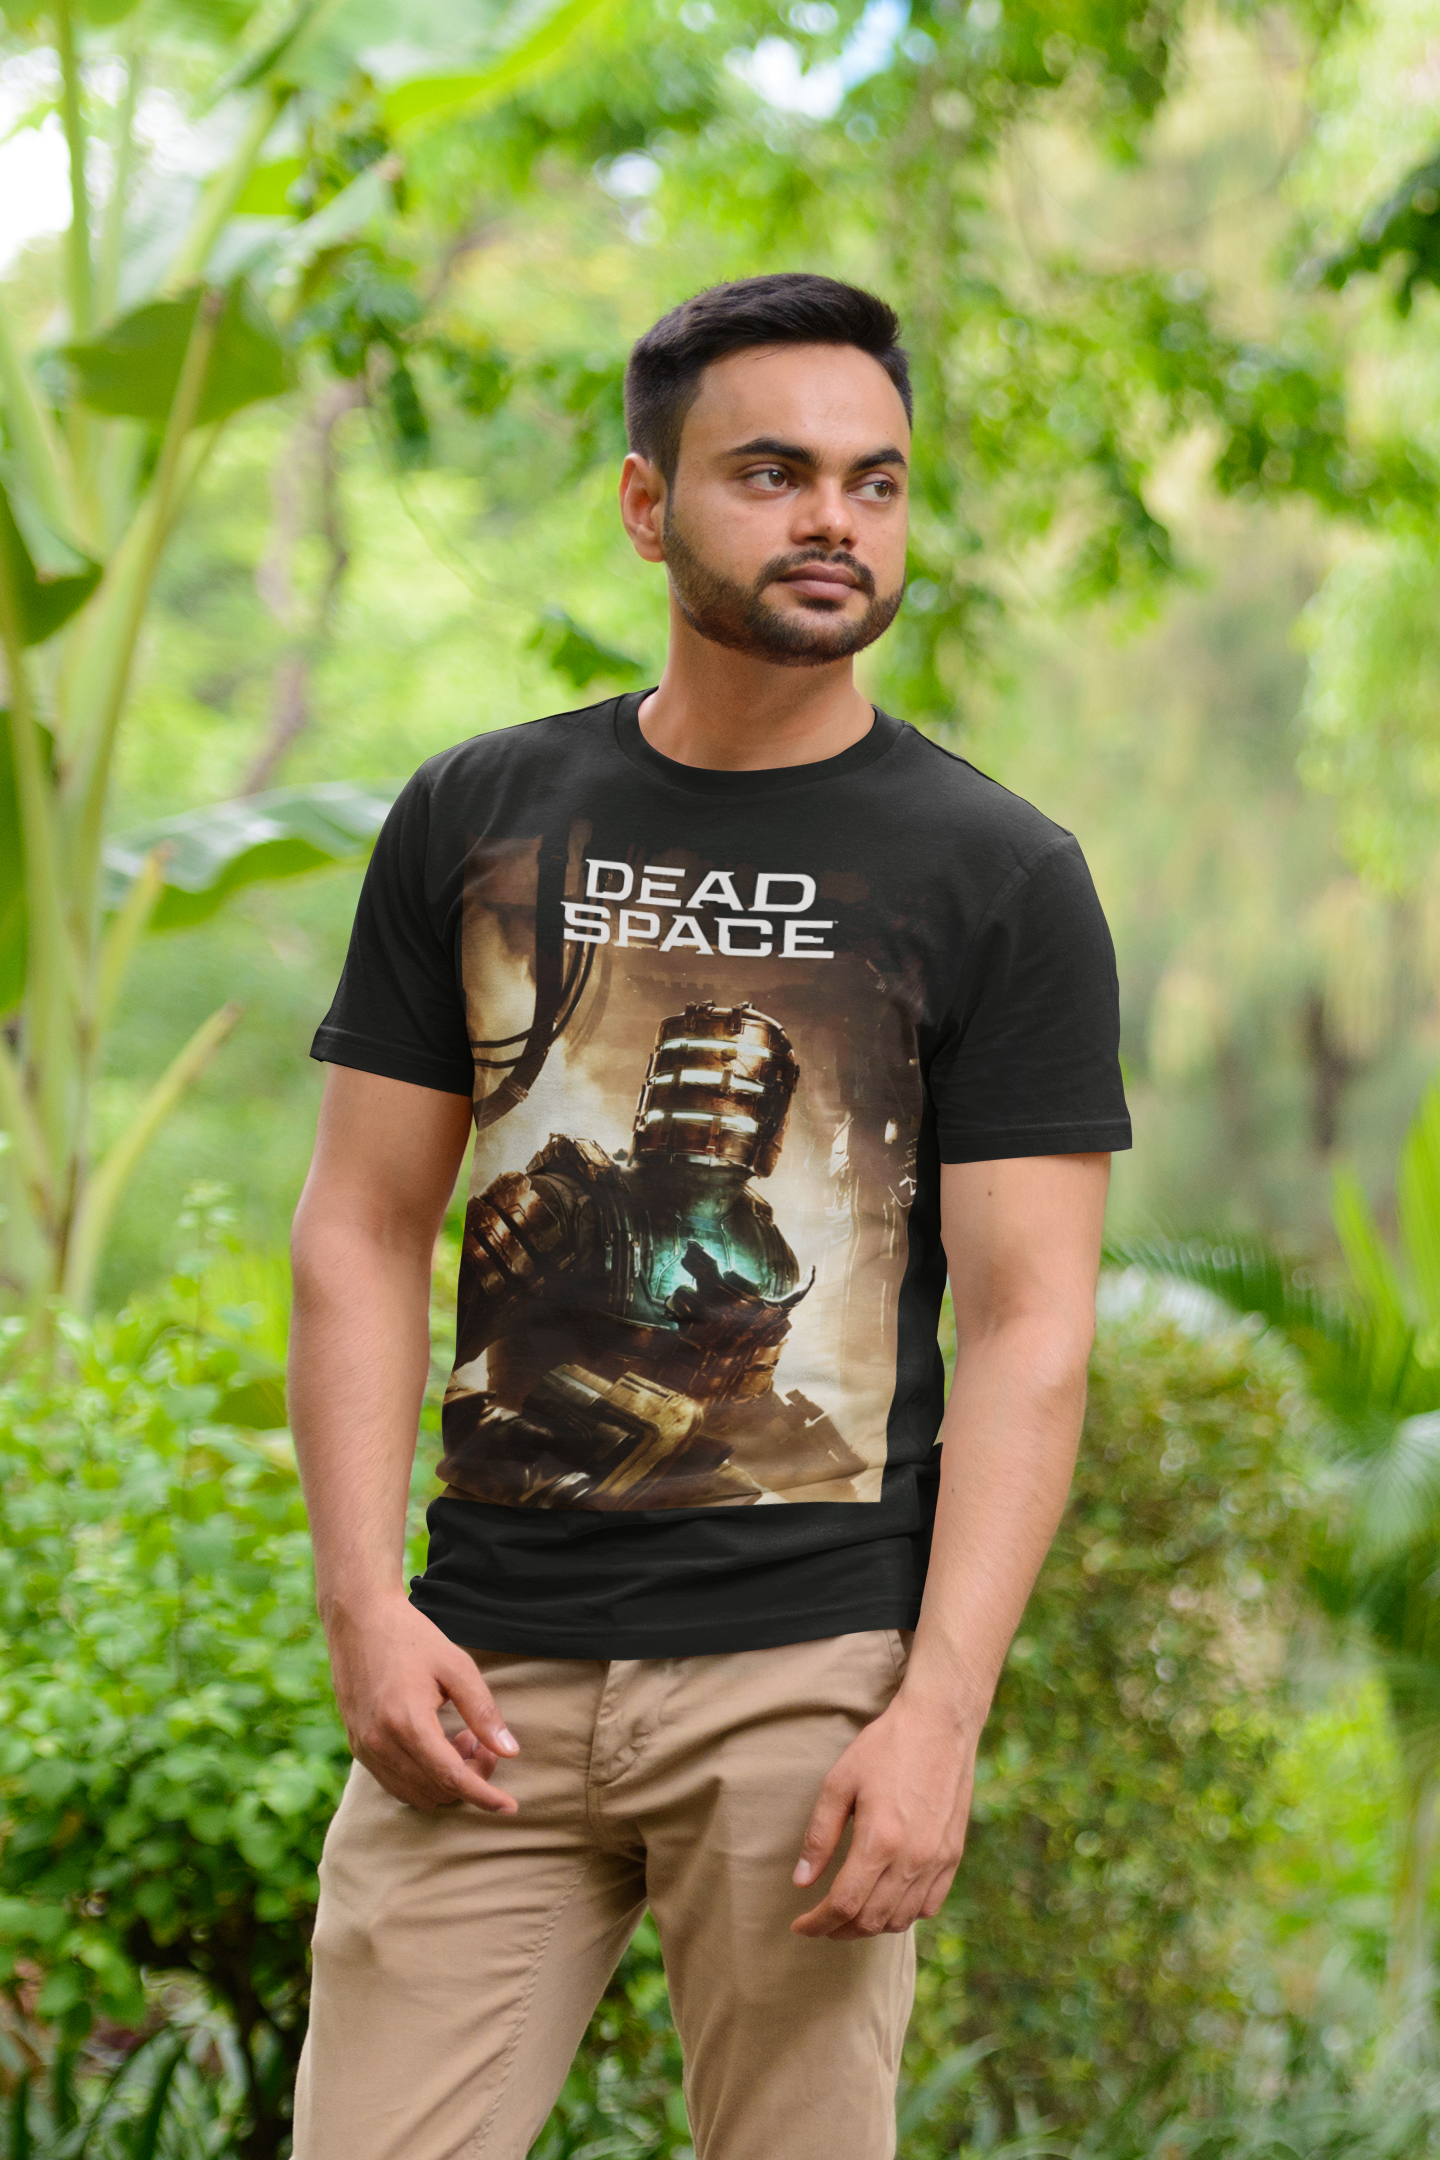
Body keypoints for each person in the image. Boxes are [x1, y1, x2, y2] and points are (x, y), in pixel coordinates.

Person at [287, 272, 1131, 2160]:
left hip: (804, 1681)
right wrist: (363, 1607)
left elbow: (1029, 1327)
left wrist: (937, 1712)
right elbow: (359, 1230)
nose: (835, 518)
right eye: (773, 473)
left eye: (874, 481)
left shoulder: (998, 874)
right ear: (647, 502)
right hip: (482, 1663)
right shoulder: (479, 816)